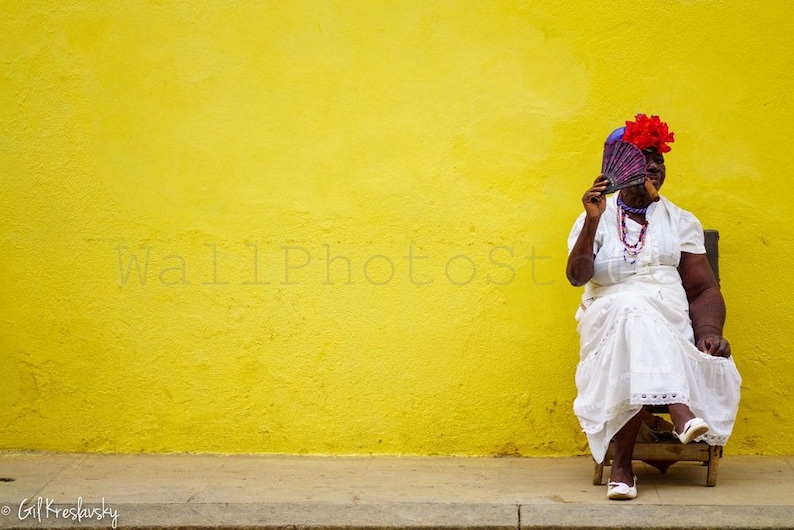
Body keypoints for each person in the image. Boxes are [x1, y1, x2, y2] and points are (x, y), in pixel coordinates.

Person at [566, 114, 741, 500]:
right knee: (630, 307)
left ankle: (623, 469)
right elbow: (578, 277)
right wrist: (593, 223)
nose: (653, 168)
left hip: (669, 326)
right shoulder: (592, 217)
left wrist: (710, 332)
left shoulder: (680, 221)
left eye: (658, 160)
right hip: (606, 322)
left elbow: (703, 289)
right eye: (643, 160)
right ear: (620, 168)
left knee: (637, 316)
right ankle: (681, 413)